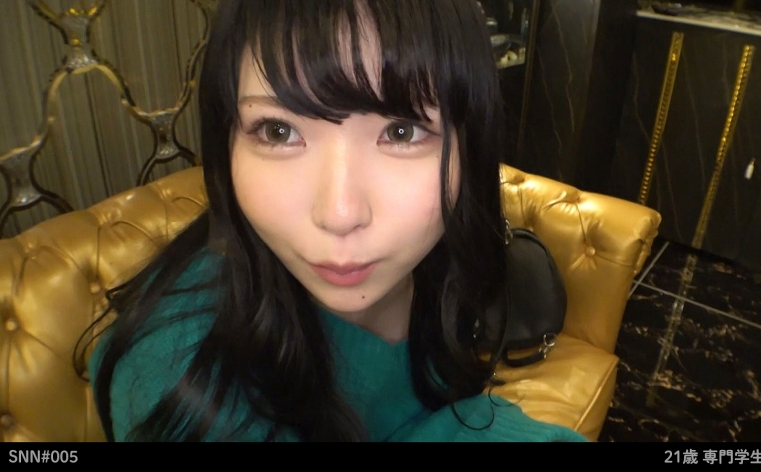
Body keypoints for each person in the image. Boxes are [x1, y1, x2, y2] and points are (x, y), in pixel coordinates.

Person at [81, 0, 589, 442]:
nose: (339, 214)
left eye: (401, 130)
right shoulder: (182, 381)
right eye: (278, 131)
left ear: (469, 147)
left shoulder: (444, 253)